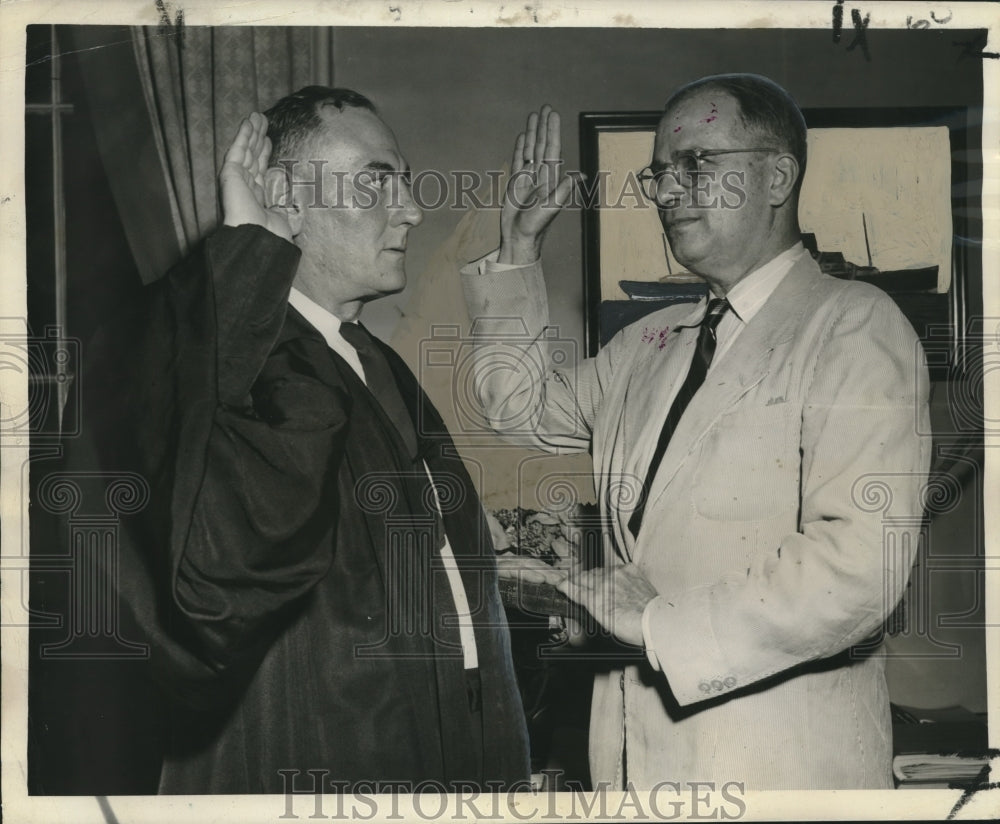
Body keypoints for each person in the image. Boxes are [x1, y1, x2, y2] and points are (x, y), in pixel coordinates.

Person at [461, 73, 931, 789]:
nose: (668, 191)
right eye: (659, 173)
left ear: (778, 177)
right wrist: (519, 247)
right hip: (633, 762)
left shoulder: (854, 324)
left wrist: (658, 624)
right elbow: (516, 406)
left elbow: (860, 568)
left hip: (779, 769)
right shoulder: (649, 342)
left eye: (697, 164)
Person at [79, 86, 529, 793]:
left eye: (405, 181)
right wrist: (249, 257)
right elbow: (213, 576)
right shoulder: (222, 358)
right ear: (287, 200)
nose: (412, 209)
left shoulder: (373, 360)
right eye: (377, 182)